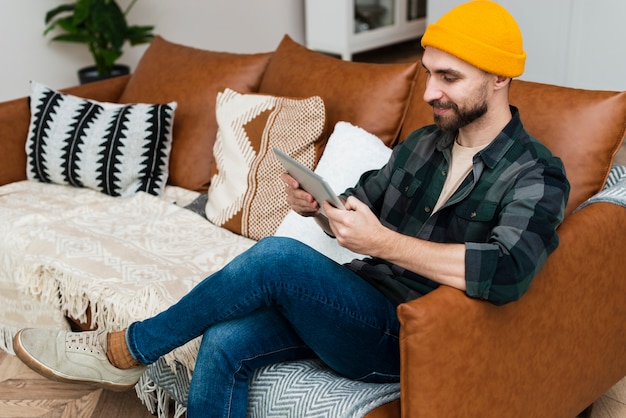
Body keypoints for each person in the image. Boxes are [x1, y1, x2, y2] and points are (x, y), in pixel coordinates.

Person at [12, 1, 570, 417]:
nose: (430, 92)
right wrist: (317, 207)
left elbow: (506, 272)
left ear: (500, 78)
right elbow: (364, 205)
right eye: (428, 73)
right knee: (225, 340)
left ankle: (129, 348)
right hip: (356, 302)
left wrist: (384, 243)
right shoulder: (427, 144)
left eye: (449, 77)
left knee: (277, 257)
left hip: (409, 336)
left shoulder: (535, 172)